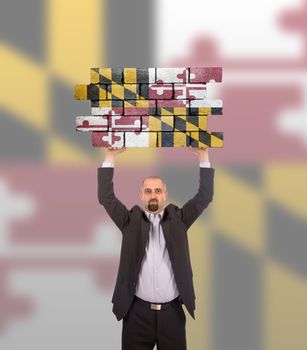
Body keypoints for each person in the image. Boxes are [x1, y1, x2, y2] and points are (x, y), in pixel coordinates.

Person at [98, 146, 215, 350]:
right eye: (149, 191)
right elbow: (106, 198)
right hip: (136, 314)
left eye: (158, 191)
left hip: (173, 314)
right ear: (141, 195)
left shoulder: (180, 219)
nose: (153, 195)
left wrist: (203, 156)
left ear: (165, 195)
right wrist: (110, 156)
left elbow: (204, 197)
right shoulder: (129, 221)